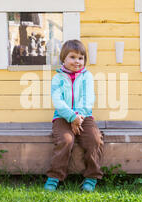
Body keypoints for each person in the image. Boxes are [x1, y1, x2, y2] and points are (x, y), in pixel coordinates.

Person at [44, 39, 104, 192]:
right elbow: (58, 100)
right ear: (64, 58)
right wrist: (72, 118)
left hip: (85, 116)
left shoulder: (87, 76)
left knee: (94, 139)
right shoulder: (57, 78)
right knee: (66, 140)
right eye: (72, 57)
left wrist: (79, 117)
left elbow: (88, 98)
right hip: (62, 116)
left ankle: (92, 176)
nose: (77, 61)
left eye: (80, 58)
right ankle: (55, 176)